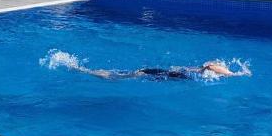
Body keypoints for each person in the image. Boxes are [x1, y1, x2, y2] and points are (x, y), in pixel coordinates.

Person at [71, 59, 251, 81]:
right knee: (126, 76)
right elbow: (210, 66)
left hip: (166, 72)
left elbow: (209, 64)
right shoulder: (224, 72)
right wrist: (235, 74)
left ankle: (97, 72)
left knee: (132, 73)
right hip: (166, 74)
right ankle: (99, 74)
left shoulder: (218, 69)